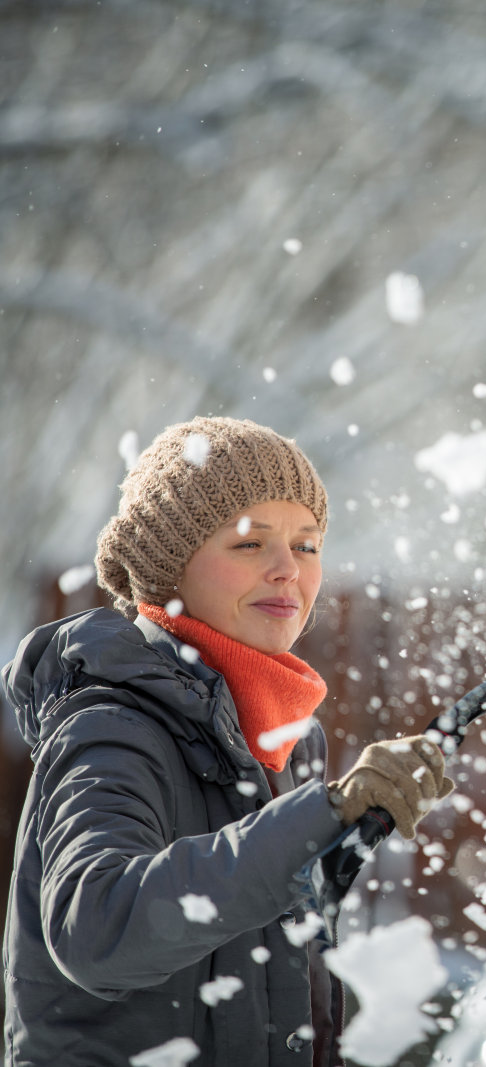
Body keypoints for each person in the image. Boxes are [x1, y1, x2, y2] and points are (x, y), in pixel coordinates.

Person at [3, 417, 452, 1067]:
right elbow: (98, 927)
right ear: (170, 567)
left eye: (307, 544)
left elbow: (262, 975)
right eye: (249, 544)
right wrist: (321, 817)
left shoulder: (283, 742)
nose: (286, 571)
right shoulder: (111, 726)